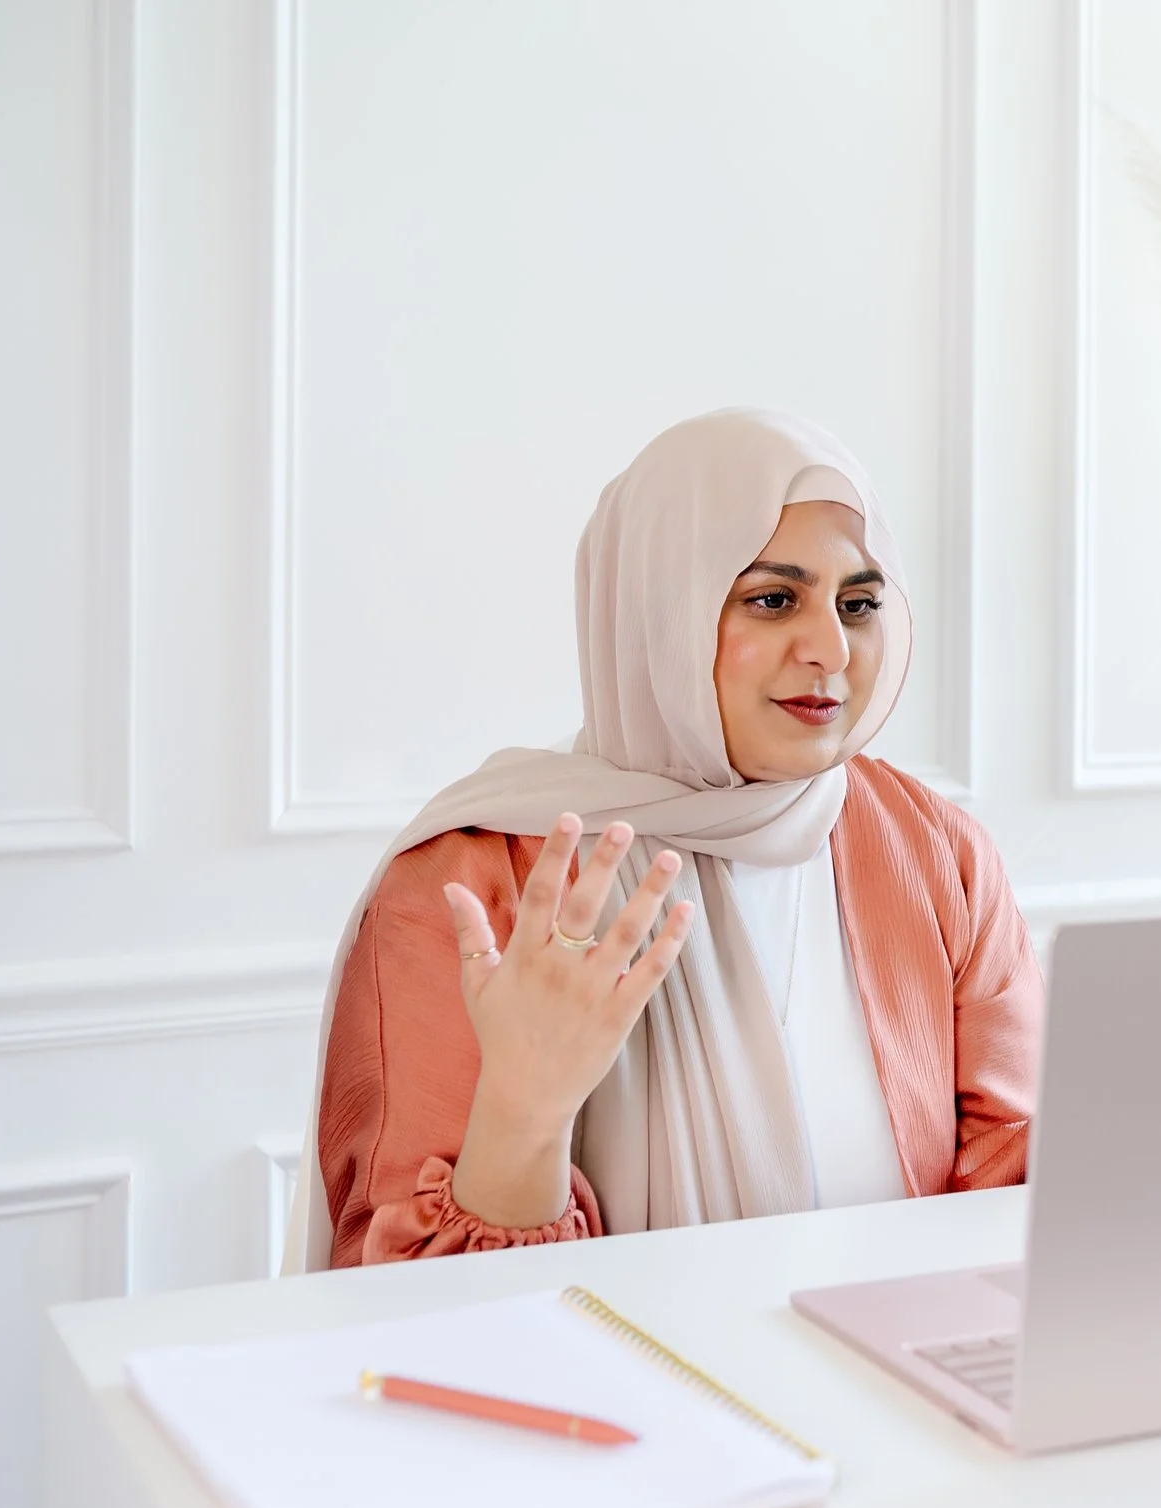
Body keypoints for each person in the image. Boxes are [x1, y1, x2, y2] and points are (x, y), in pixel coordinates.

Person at [287, 410, 1041, 1270]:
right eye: (772, 599)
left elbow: (1018, 1194)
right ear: (653, 613)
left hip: (881, 1385)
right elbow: (407, 1309)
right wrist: (524, 1113)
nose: (832, 648)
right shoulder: (472, 884)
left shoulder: (933, 855)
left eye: (859, 603)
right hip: (615, 1398)